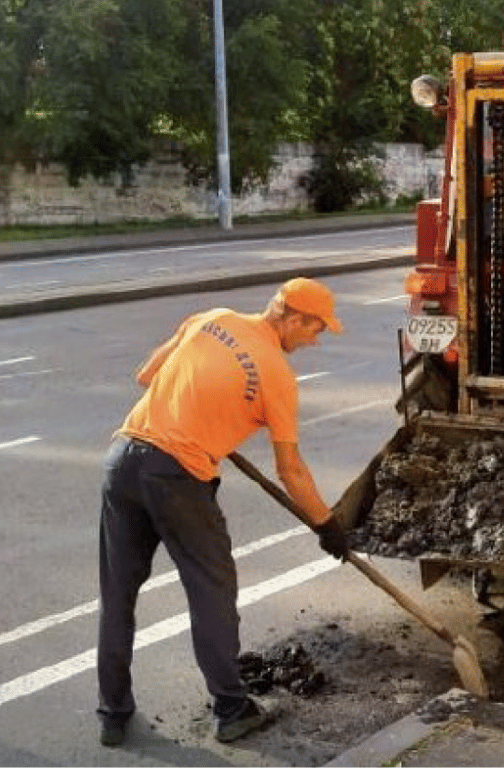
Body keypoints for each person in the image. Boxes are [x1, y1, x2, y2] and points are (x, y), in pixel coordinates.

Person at [96, 277, 350, 747]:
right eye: (314, 330)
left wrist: (204, 405)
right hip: (177, 480)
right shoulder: (276, 374)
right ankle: (232, 710)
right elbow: (290, 469)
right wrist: (326, 524)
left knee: (117, 595)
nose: (314, 341)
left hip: (123, 461)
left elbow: (147, 376)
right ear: (293, 318)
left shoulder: (212, 318)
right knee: (212, 592)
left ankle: (113, 713)